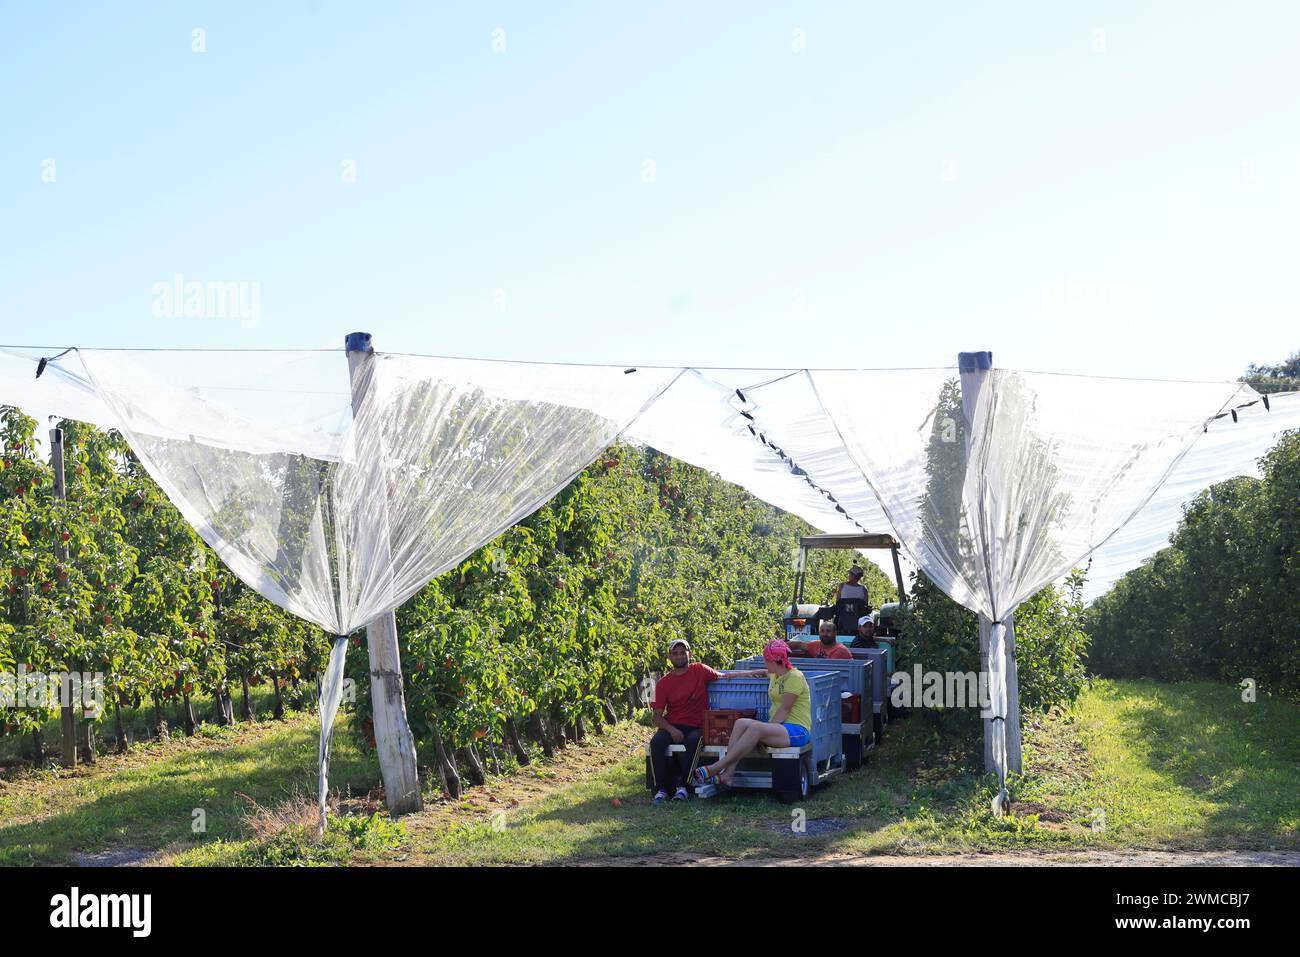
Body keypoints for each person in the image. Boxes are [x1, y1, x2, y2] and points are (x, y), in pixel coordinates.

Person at [694, 640, 812, 788]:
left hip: (797, 730)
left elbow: (785, 709)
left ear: (773, 660)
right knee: (741, 723)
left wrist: (765, 732)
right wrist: (738, 675)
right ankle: (728, 775)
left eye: (765, 660)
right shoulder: (776, 674)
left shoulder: (795, 677)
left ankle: (717, 767)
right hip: (779, 728)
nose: (764, 663)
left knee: (756, 728)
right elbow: (762, 673)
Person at [648, 639, 719, 803]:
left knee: (694, 740)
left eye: (682, 652)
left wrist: (753, 673)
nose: (679, 655)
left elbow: (723, 675)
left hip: (697, 725)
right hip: (673, 724)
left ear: (690, 654)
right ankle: (660, 789)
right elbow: (656, 717)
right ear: (669, 657)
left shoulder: (700, 670)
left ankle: (683, 787)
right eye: (675, 653)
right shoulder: (662, 683)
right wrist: (672, 730)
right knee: (656, 742)